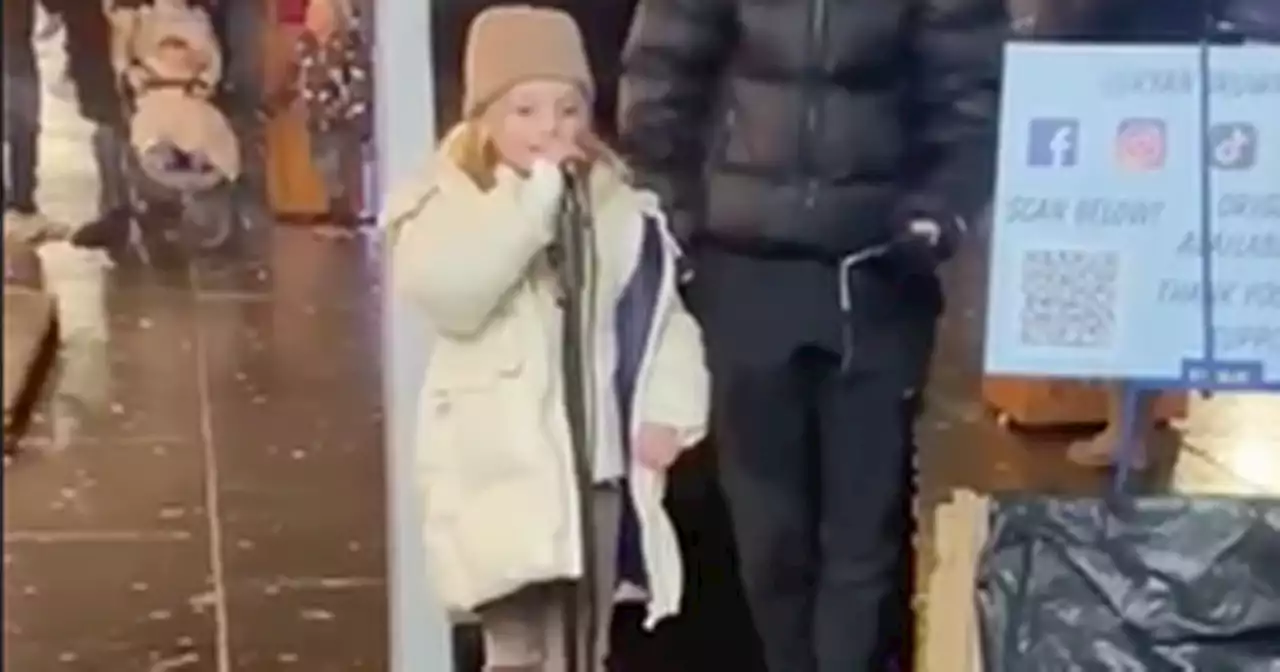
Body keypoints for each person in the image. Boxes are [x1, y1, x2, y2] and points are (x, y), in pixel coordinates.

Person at [618, 0, 1005, 669]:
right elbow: (662, 76)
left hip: (877, 271)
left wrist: (939, 212)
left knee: (863, 534)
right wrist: (673, 211)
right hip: (741, 267)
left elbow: (972, 97)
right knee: (770, 535)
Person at [385, 7, 710, 671]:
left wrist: (669, 410)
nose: (550, 129)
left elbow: (658, 313)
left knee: (583, 647)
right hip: (499, 470)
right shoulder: (445, 203)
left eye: (567, 109)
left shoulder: (615, 205)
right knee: (520, 648)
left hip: (594, 469)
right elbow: (455, 294)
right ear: (485, 116)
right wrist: (533, 206)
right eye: (525, 110)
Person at [269, 0, 371, 224]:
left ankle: (346, 217)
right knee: (325, 166)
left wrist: (345, 110)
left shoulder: (348, 45)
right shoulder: (306, 44)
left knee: (343, 167)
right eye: (310, 12)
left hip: (344, 120)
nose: (311, 17)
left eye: (317, 13)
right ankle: (337, 214)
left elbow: (358, 84)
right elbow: (293, 76)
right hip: (317, 119)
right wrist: (277, 102)